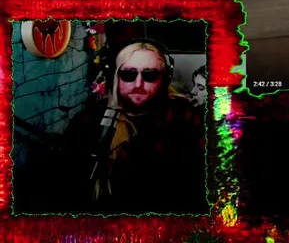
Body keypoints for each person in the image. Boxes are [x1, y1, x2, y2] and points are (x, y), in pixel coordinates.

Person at [57, 40, 207, 214]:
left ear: (165, 79)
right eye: (128, 74)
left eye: (150, 75)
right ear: (115, 77)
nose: (138, 84)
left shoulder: (185, 120)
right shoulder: (89, 121)